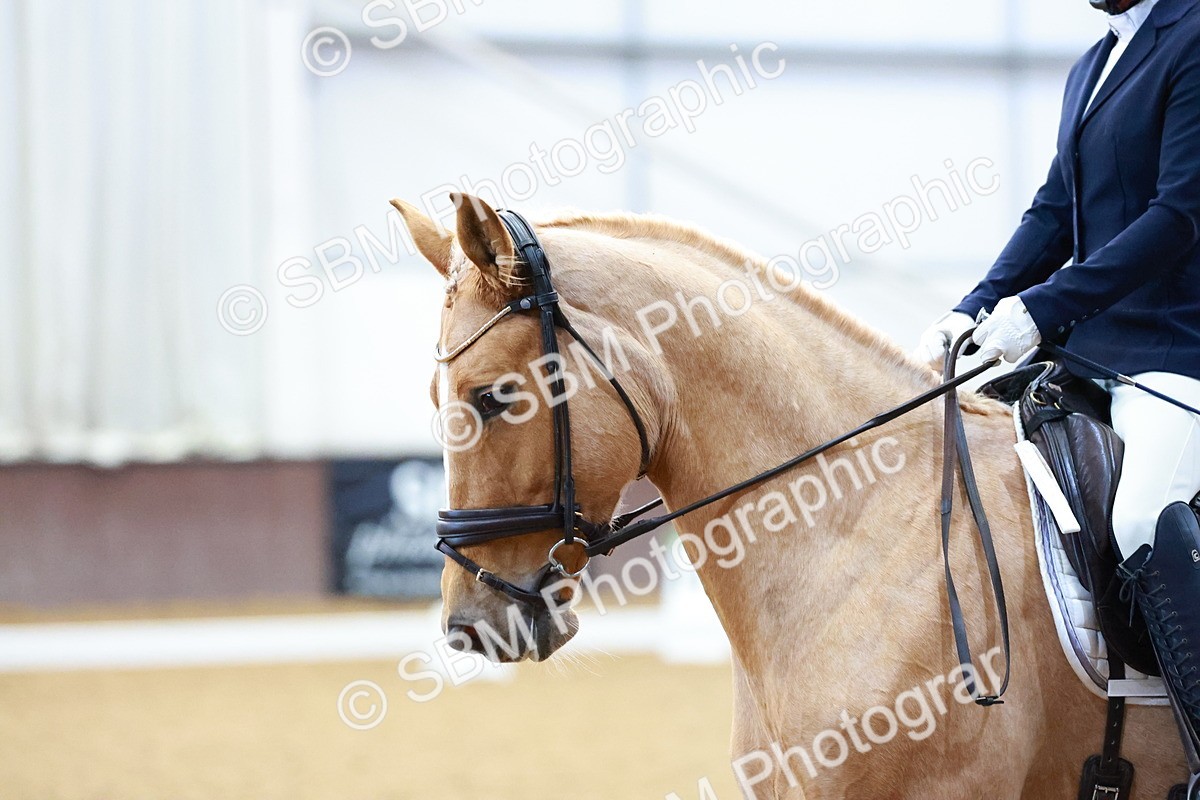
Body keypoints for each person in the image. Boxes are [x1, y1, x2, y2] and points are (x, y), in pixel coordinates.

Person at [913, 0, 1200, 761]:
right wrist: (969, 307)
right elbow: (1053, 213)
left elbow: (1179, 216)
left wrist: (1042, 307)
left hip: (1177, 348)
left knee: (1143, 517)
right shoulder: (1090, 66)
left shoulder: (1194, 33)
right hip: (1094, 353)